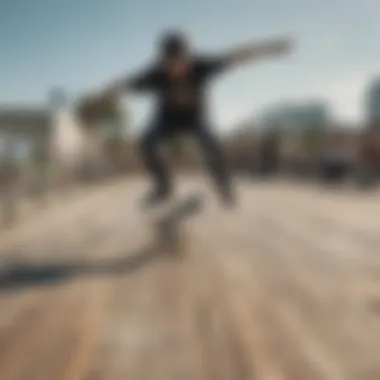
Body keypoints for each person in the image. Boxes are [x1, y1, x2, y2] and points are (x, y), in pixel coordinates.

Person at [78, 30, 294, 209]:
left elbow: (238, 55)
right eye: (170, 64)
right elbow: (124, 84)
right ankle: (164, 187)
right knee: (146, 141)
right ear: (163, 62)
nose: (176, 69)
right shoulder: (155, 74)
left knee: (212, 143)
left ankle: (223, 185)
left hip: (195, 119)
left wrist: (271, 48)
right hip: (166, 121)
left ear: (187, 57)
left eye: (180, 62)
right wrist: (98, 100)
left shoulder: (202, 65)